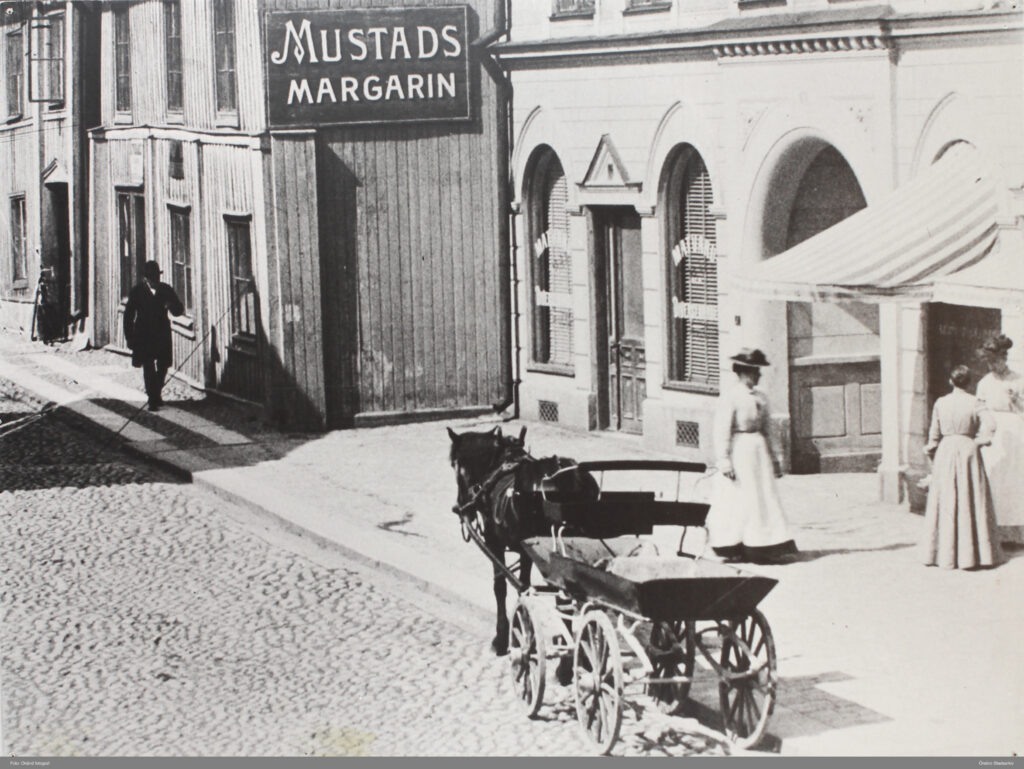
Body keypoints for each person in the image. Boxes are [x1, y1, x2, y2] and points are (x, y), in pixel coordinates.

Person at [706, 348, 798, 564]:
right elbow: (721, 430)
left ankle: (761, 544)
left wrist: (777, 458)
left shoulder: (761, 397)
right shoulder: (731, 397)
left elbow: (769, 429)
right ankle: (733, 545)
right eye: (755, 371)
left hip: (758, 452)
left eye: (758, 370)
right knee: (740, 497)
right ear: (744, 372)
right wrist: (724, 460)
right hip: (740, 451)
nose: (758, 375)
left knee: (762, 496)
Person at [920, 365, 1002, 570]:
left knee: (946, 500)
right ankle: (976, 556)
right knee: (971, 498)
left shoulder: (941, 402)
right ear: (969, 383)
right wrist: (981, 441)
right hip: (968, 451)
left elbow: (934, 435)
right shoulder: (975, 402)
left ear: (951, 381)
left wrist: (931, 450)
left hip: (946, 451)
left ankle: (943, 555)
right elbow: (991, 424)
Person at [976, 333, 1024, 545]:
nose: (994, 367)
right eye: (990, 363)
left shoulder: (1019, 380)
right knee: (994, 479)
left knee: (1015, 482)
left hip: (1015, 434)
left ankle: (1016, 531)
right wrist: (985, 425)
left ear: (1005, 358)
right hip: (993, 435)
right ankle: (994, 532)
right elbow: (979, 407)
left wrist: (1017, 401)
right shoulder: (984, 383)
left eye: (997, 362)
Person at [123, 261, 184, 411]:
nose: (155, 280)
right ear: (146, 278)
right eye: (152, 278)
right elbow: (128, 315)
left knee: (164, 364)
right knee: (148, 365)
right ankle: (153, 398)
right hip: (144, 334)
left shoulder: (165, 290)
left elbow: (179, 310)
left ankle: (155, 392)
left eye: (157, 277)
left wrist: (171, 306)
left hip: (162, 332)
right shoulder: (137, 291)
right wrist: (130, 337)